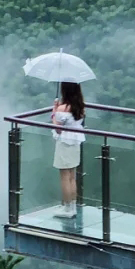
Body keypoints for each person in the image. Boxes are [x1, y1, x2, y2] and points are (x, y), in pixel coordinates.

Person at [51, 81, 85, 209]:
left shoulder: (62, 108)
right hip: (75, 142)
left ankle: (67, 207)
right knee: (72, 175)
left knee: (64, 176)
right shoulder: (80, 106)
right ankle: (73, 205)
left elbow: (58, 128)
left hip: (64, 141)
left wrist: (54, 112)